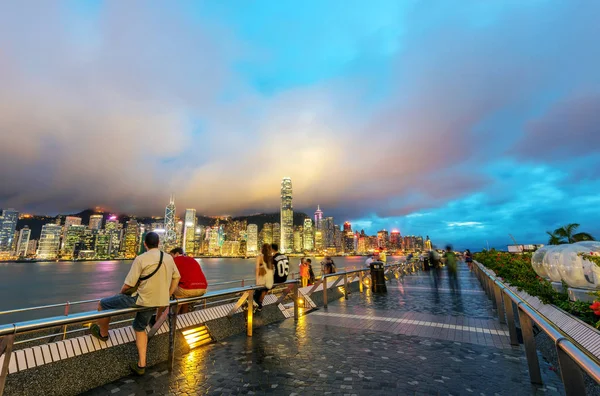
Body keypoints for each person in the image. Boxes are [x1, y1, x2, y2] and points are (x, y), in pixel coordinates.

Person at [90, 232, 180, 376]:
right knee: (139, 328)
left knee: (103, 304)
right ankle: (141, 365)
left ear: (145, 244)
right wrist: (168, 294)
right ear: (158, 243)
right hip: (157, 301)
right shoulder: (168, 258)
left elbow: (128, 284)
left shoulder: (141, 258)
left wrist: (121, 294)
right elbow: (177, 277)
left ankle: (103, 334)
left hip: (141, 299)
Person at [169, 247, 208, 313]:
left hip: (187, 289)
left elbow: (170, 276)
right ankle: (183, 316)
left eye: (171, 255)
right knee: (184, 297)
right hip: (203, 288)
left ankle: (173, 317)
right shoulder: (192, 259)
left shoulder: (175, 260)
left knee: (171, 289)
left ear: (177, 254)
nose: (170, 257)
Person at [254, 243, 273, 312]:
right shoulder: (271, 257)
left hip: (262, 278)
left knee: (256, 294)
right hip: (269, 279)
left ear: (262, 249)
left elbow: (257, 269)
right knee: (263, 292)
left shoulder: (260, 257)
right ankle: (260, 305)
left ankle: (256, 306)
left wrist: (256, 280)